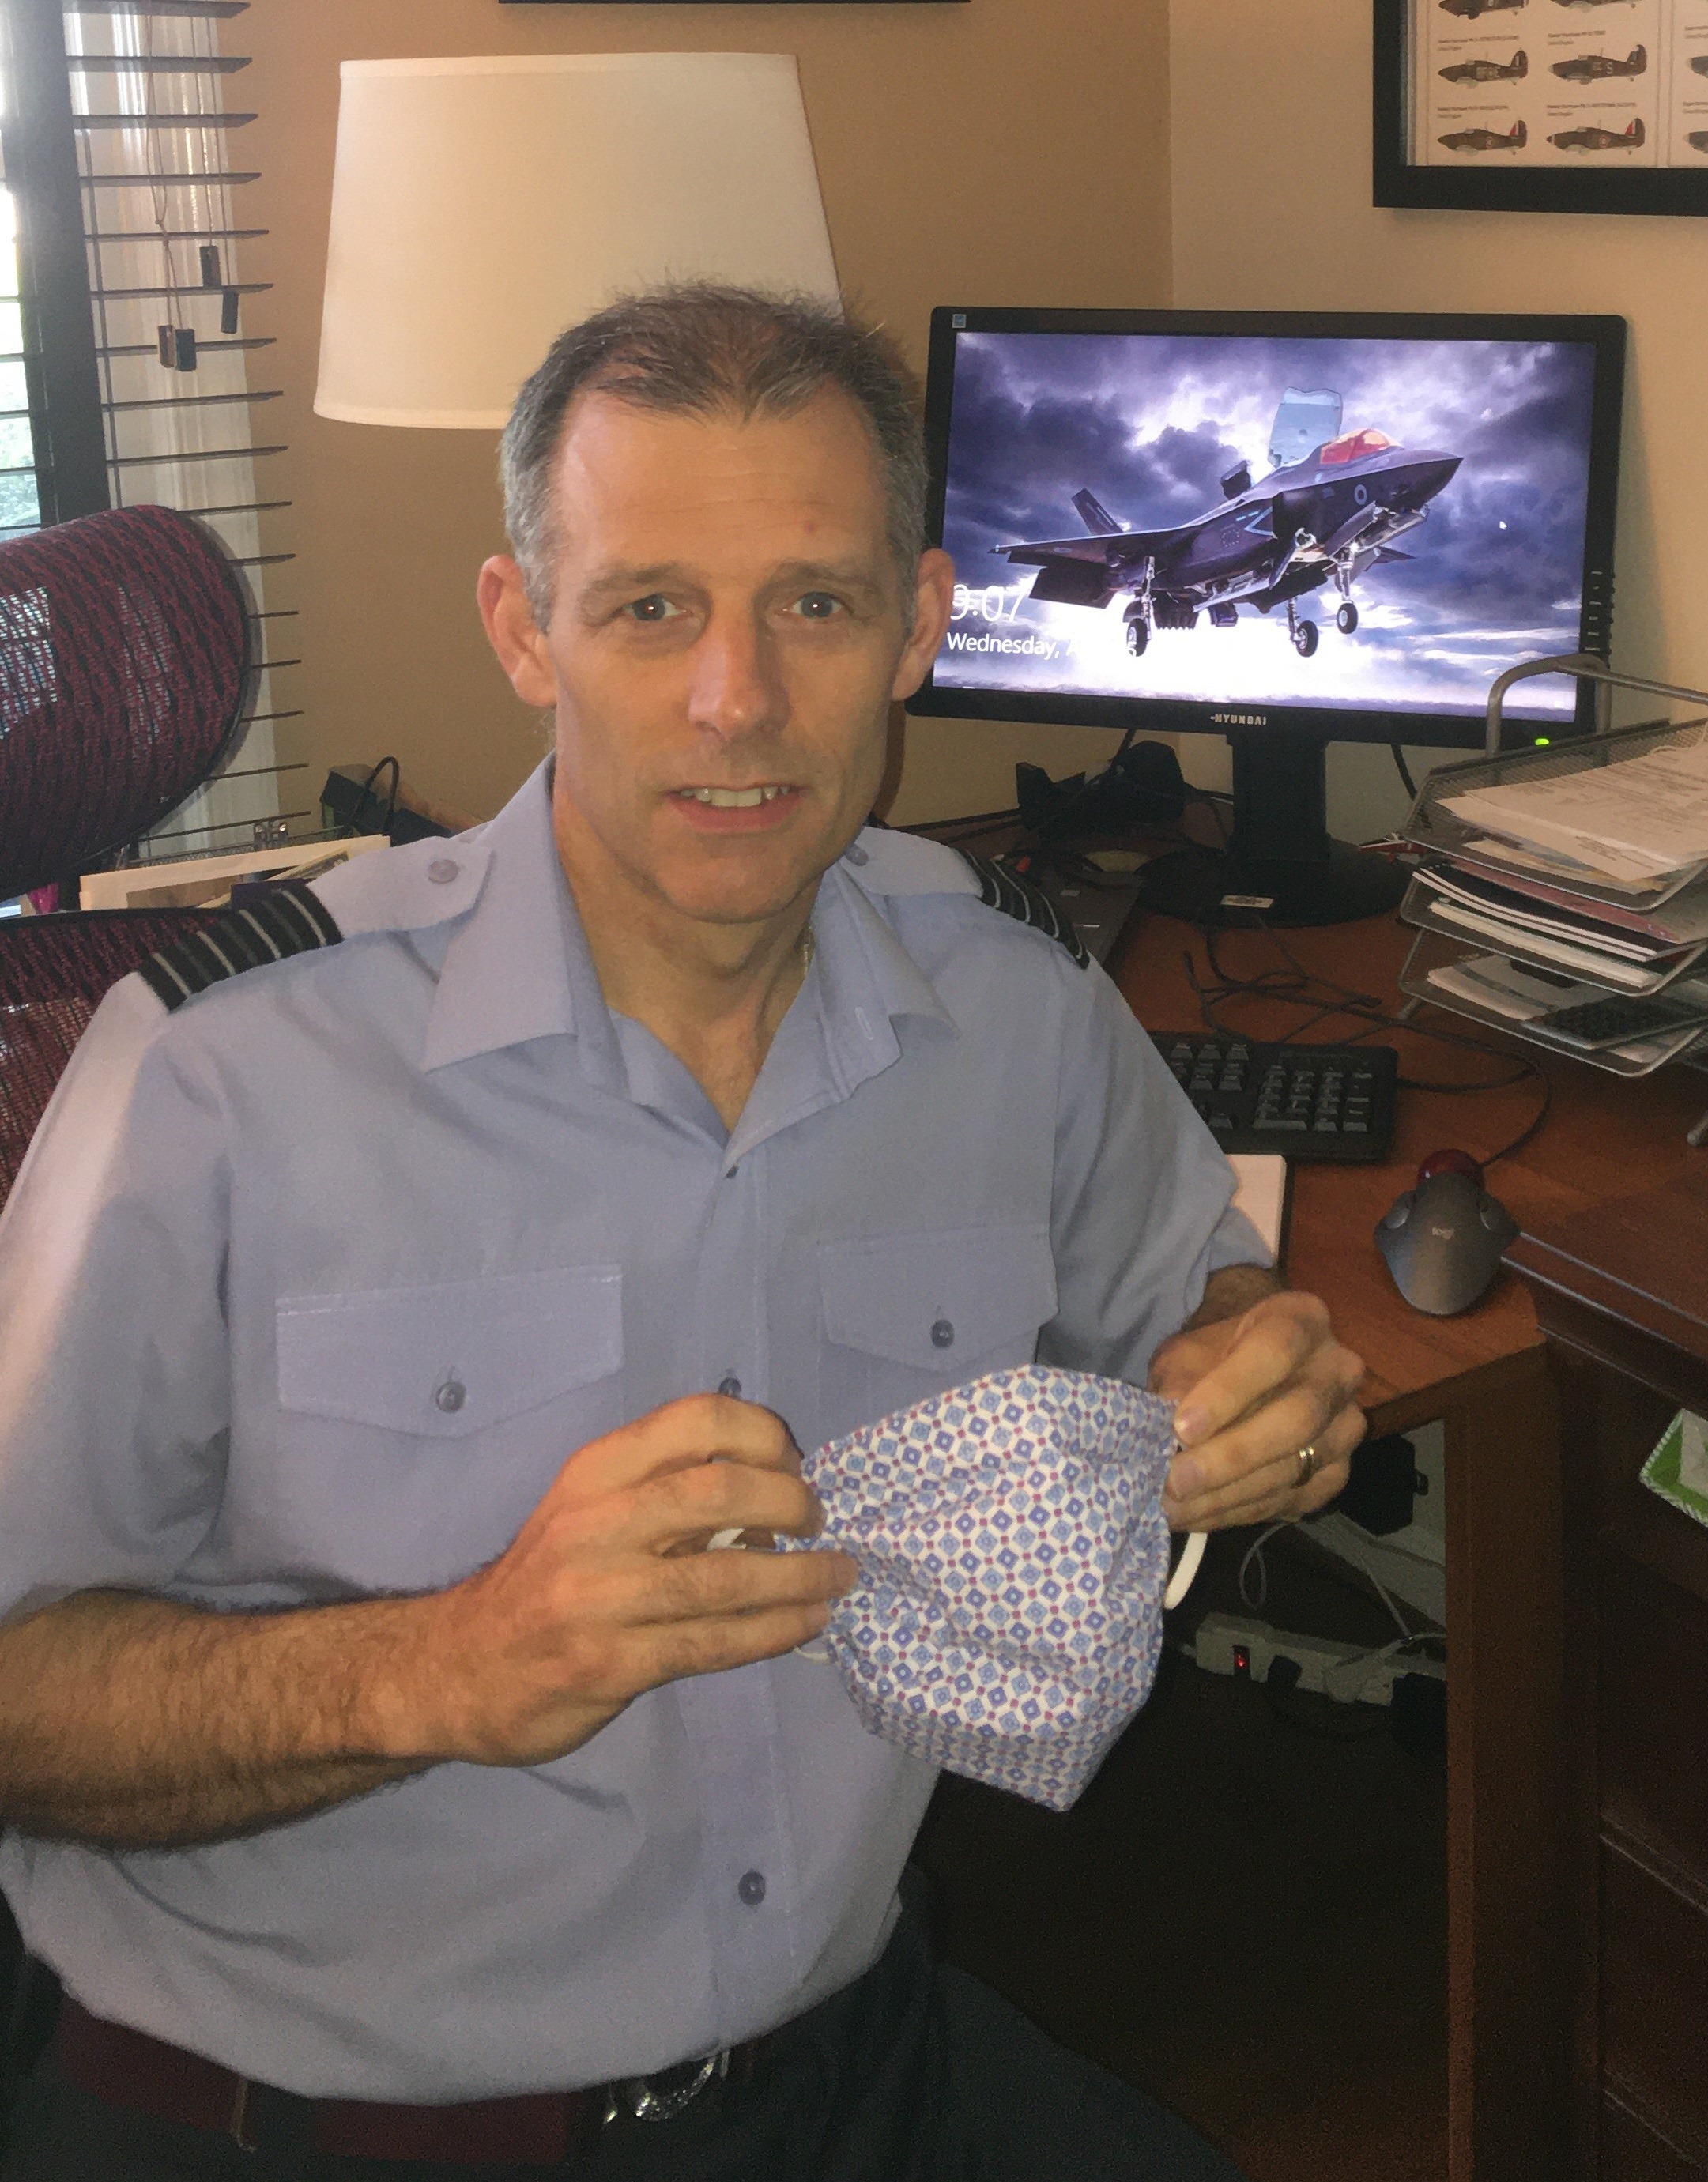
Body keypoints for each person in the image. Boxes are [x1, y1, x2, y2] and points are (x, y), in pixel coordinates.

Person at [0, 285, 1365, 2181]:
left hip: (842, 2064)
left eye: (812, 601)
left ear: (919, 626)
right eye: (650, 607)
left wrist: (1253, 1370)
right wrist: (443, 1666)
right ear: (521, 629)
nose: (738, 700)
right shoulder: (224, 1069)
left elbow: (1193, 1294)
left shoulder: (1020, 1007)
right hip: (320, 2127)